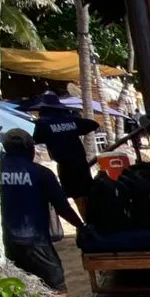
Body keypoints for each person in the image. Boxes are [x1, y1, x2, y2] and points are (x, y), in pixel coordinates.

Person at [0, 129, 82, 292]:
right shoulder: (41, 173)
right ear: (29, 148)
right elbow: (62, 207)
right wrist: (80, 225)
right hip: (35, 241)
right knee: (56, 285)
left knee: (17, 287)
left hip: (5, 242)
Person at [28, 90, 100, 219]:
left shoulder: (43, 124)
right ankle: (92, 222)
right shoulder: (71, 120)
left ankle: (88, 224)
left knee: (76, 195)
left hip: (64, 164)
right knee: (86, 193)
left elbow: (35, 138)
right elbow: (93, 124)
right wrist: (73, 123)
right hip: (80, 162)